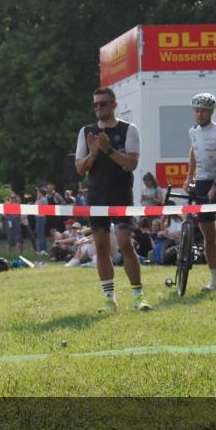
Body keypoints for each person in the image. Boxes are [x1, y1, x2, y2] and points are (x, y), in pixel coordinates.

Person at [75, 87, 152, 312]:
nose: (99, 108)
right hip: (96, 195)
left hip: (120, 194)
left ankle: (138, 295)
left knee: (125, 243)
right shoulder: (86, 131)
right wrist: (94, 152)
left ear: (114, 105)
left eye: (104, 103)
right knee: (101, 247)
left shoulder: (129, 129)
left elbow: (131, 164)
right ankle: (109, 299)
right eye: (96, 104)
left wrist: (108, 150)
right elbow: (80, 168)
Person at [184, 93, 216, 293]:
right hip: (202, 181)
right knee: (208, 234)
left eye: (203, 110)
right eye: (196, 110)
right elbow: (193, 151)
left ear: (211, 112)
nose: (199, 114)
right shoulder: (193, 131)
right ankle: (213, 279)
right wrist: (189, 176)